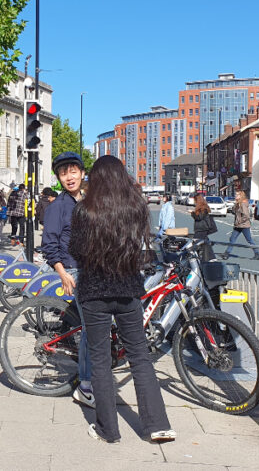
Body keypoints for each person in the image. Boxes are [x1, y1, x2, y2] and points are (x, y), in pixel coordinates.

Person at [69, 155, 175, 444]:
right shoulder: (137, 207)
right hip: (128, 290)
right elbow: (143, 247)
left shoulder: (84, 211)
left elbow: (76, 251)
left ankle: (108, 430)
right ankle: (157, 425)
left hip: (94, 292)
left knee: (101, 361)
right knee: (140, 356)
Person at [40, 152, 94, 410]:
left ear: (82, 173)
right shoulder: (57, 207)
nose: (69, 177)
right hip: (73, 269)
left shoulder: (86, 201)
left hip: (92, 267)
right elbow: (49, 245)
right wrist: (62, 273)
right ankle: (85, 384)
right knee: (91, 326)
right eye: (64, 174)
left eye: (73, 171)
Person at [221, 190, 259, 260]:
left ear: (241, 196)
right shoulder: (238, 203)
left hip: (244, 226)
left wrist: (240, 221)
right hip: (238, 226)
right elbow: (234, 211)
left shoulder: (243, 204)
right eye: (235, 195)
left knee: (249, 240)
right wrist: (235, 205)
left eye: (237, 195)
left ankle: (257, 254)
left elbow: (246, 215)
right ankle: (227, 253)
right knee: (232, 239)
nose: (235, 196)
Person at [191, 196, 217, 262]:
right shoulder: (203, 207)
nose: (194, 202)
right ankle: (211, 258)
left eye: (195, 201)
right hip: (202, 229)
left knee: (196, 243)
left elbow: (199, 217)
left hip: (201, 229)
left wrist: (192, 213)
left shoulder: (202, 209)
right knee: (205, 243)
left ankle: (194, 259)